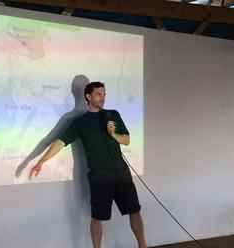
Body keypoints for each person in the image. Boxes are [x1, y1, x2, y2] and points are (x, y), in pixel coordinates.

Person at [26, 82, 147, 248]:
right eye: (98, 94)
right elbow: (60, 142)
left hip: (122, 174)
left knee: (134, 210)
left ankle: (143, 246)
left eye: (104, 94)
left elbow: (126, 140)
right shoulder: (79, 122)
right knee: (98, 217)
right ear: (88, 97)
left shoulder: (113, 114)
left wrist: (114, 135)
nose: (102, 97)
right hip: (99, 177)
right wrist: (41, 161)